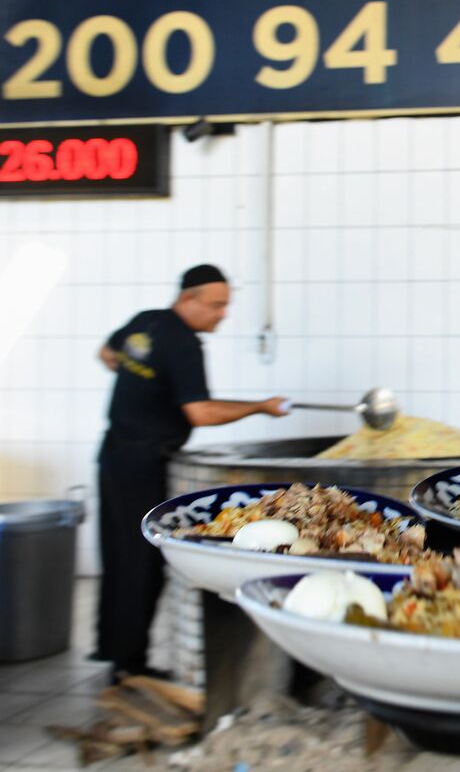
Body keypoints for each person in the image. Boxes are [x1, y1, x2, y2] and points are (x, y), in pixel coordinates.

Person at [95, 264, 286, 681]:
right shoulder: (184, 343)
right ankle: (130, 666)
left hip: (114, 453)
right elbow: (200, 412)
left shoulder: (146, 322)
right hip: (143, 462)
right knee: (141, 563)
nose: (222, 314)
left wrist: (143, 388)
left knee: (118, 556)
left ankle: (115, 654)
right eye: (216, 306)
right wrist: (260, 406)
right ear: (189, 299)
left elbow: (108, 354)